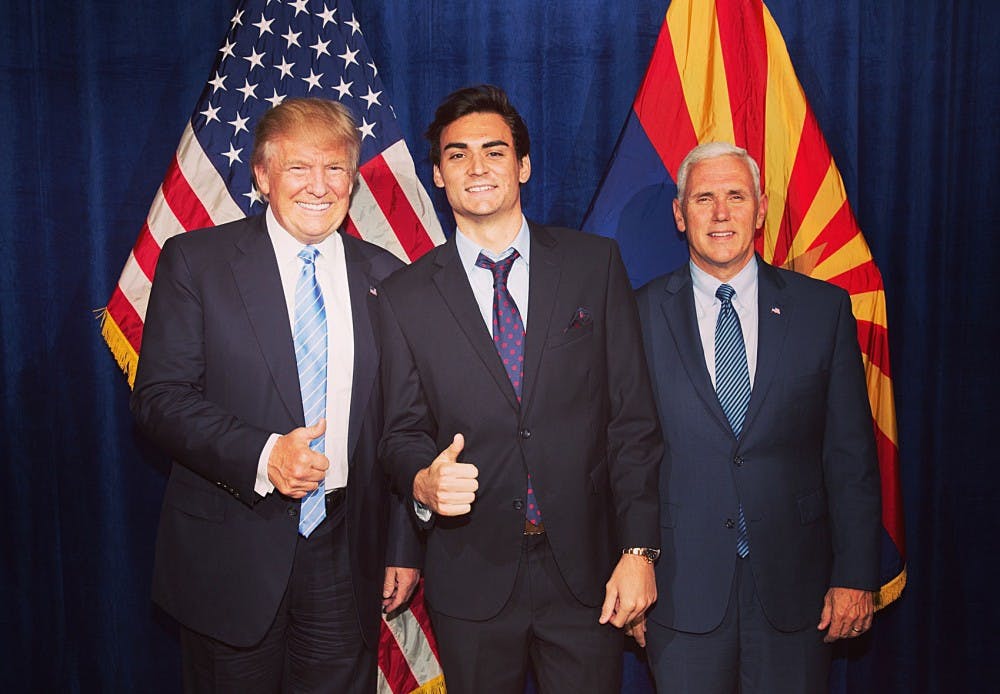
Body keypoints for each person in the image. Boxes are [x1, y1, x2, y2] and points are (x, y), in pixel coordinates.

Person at [377, 84, 663, 694]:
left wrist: (640, 552)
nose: (476, 168)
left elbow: (632, 423)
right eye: (457, 155)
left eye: (494, 151)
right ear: (437, 174)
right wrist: (422, 481)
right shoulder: (404, 296)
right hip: (470, 577)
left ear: (523, 166)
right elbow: (401, 431)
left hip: (588, 575)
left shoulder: (594, 266)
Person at [131, 98, 421, 694]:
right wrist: (265, 455)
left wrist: (402, 544)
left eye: (336, 169)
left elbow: (400, 426)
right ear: (262, 177)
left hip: (347, 556)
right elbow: (160, 399)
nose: (320, 186)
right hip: (230, 549)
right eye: (299, 168)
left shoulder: (388, 277)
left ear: (353, 179)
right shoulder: (198, 262)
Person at [634, 141, 882, 693]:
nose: (721, 214)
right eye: (703, 198)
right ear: (679, 214)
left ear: (761, 208)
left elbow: (850, 456)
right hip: (680, 590)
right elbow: (620, 457)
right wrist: (627, 570)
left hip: (798, 591)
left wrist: (855, 574)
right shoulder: (636, 314)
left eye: (735, 196)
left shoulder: (823, 310)